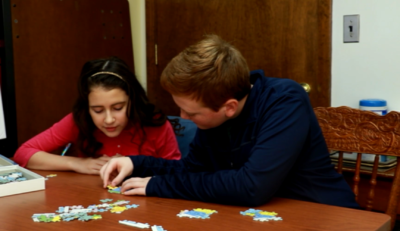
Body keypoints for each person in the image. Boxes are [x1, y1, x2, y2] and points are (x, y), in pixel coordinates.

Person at [100, 35, 359, 208]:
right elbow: (193, 172)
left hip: (324, 214)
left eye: (192, 112)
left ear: (229, 108)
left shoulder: (285, 99)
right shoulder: (213, 117)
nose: (183, 118)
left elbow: (251, 187)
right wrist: (136, 163)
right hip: (265, 219)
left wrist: (158, 185)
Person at [14, 57, 181, 174]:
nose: (108, 119)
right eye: (98, 110)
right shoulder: (79, 120)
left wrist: (136, 165)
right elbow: (23, 153)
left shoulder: (153, 123)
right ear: (87, 107)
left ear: (132, 101)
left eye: (117, 108)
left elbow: (177, 170)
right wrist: (78, 164)